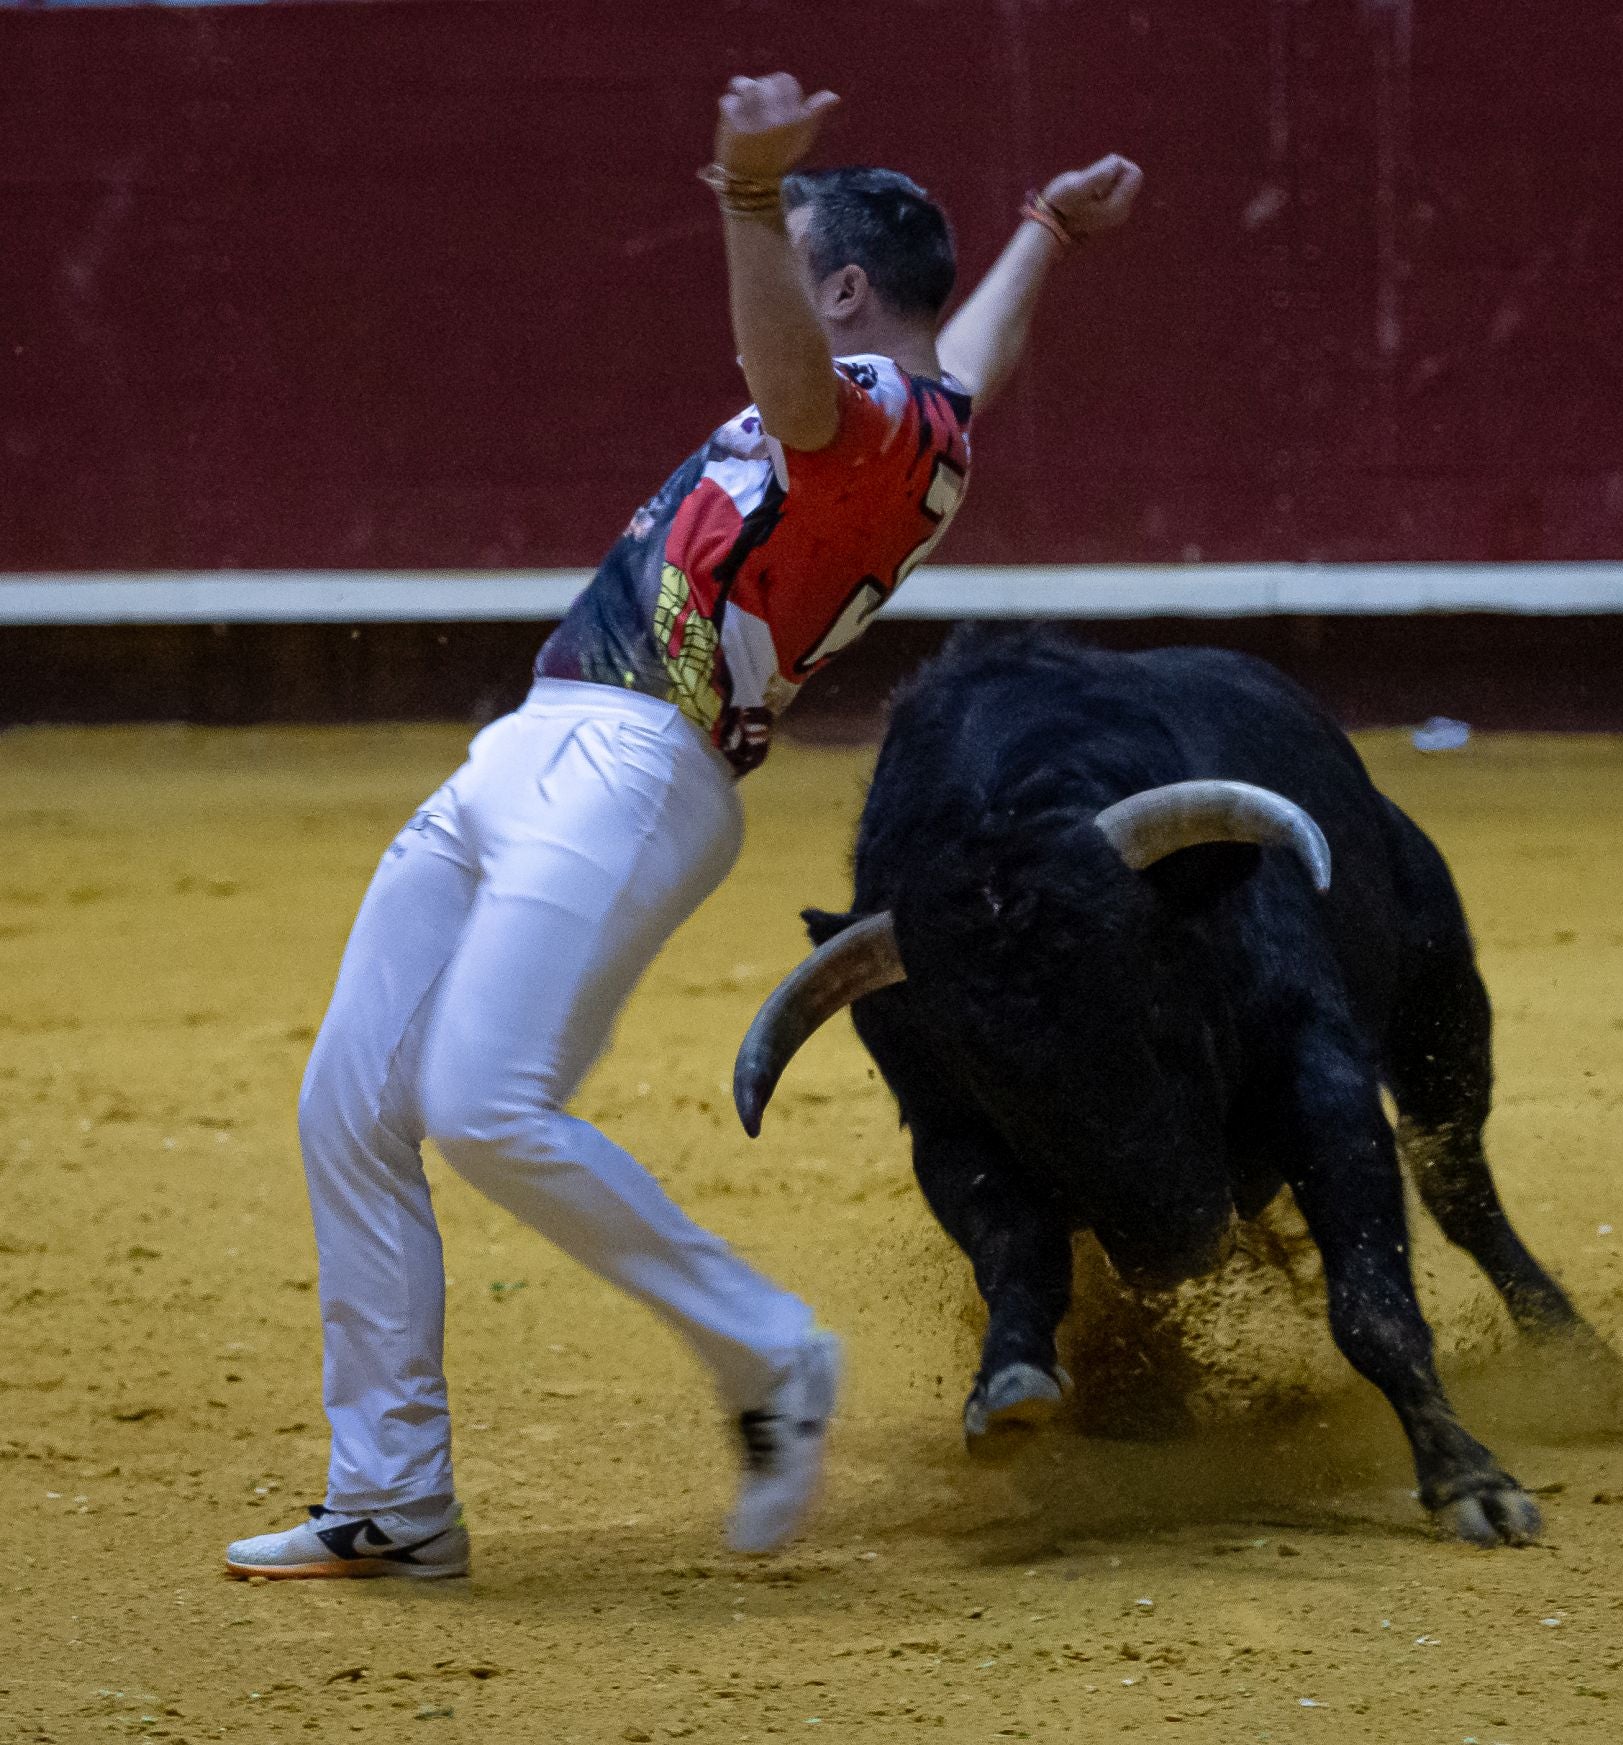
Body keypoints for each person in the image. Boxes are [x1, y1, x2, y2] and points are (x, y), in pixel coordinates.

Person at [224, 72, 1142, 1580]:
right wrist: (1047, 225)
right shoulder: (935, 414)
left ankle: (770, 1352)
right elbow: (972, 347)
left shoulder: (868, 421)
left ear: (839, 290)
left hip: (638, 761)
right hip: (543, 739)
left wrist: (735, 194)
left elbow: (794, 389)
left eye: (792, 253)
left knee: (480, 1099)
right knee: (352, 1105)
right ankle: (393, 1499)